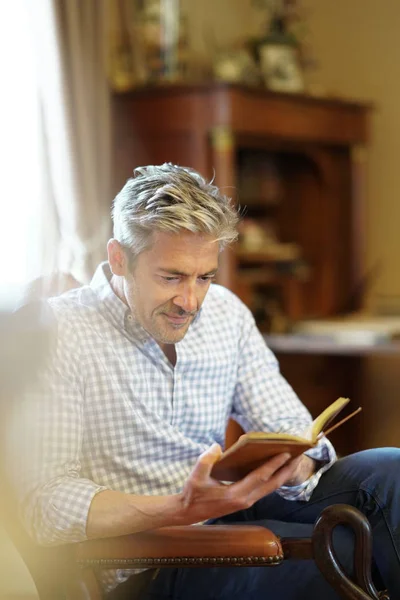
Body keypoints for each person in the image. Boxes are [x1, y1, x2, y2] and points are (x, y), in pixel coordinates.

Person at [8, 164, 400, 599]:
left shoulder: (227, 314)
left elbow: (287, 420)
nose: (190, 301)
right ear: (120, 258)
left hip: (230, 511)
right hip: (150, 561)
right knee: (353, 551)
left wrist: (298, 461)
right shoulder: (60, 332)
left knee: (391, 472)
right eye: (171, 277)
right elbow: (44, 504)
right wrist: (179, 508)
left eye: (204, 277)